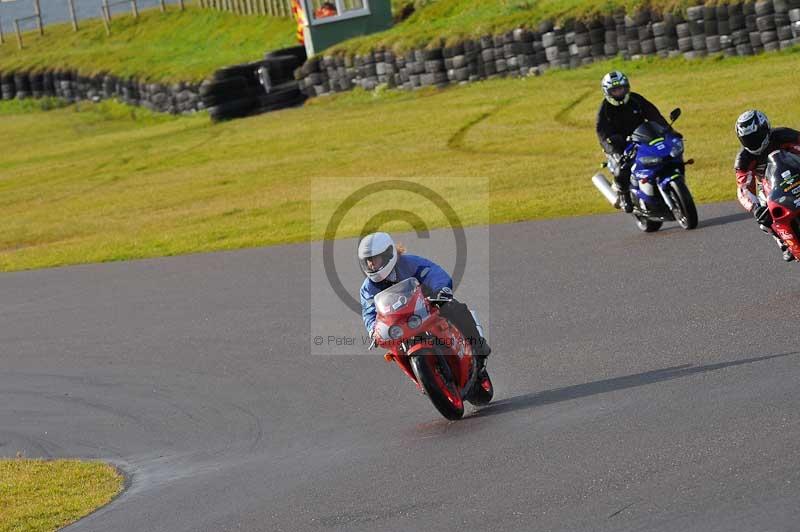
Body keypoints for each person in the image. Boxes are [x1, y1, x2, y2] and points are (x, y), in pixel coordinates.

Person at [358, 232, 491, 375]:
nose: (371, 265)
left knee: (454, 308)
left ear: (387, 255)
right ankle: (420, 377)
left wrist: (440, 290)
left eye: (374, 259)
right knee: (395, 350)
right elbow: (369, 311)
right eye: (368, 261)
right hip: (400, 321)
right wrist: (373, 329)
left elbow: (433, 273)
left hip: (428, 306)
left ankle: (478, 347)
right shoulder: (368, 288)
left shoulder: (409, 263)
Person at [596, 71, 670, 213]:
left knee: (664, 154)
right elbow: (602, 135)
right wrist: (613, 151)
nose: (619, 93)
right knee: (622, 168)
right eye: (614, 90)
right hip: (619, 145)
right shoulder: (604, 110)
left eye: (621, 88)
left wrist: (668, 131)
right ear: (607, 92)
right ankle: (624, 196)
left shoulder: (636, 100)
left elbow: (655, 116)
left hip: (643, 137)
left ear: (627, 87)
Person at [734, 110, 800, 262]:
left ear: (765, 129)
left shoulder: (784, 135)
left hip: (797, 172)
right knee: (763, 220)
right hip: (770, 187)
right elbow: (743, 189)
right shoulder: (743, 160)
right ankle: (783, 243)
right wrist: (755, 208)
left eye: (755, 136)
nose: (753, 142)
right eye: (747, 139)